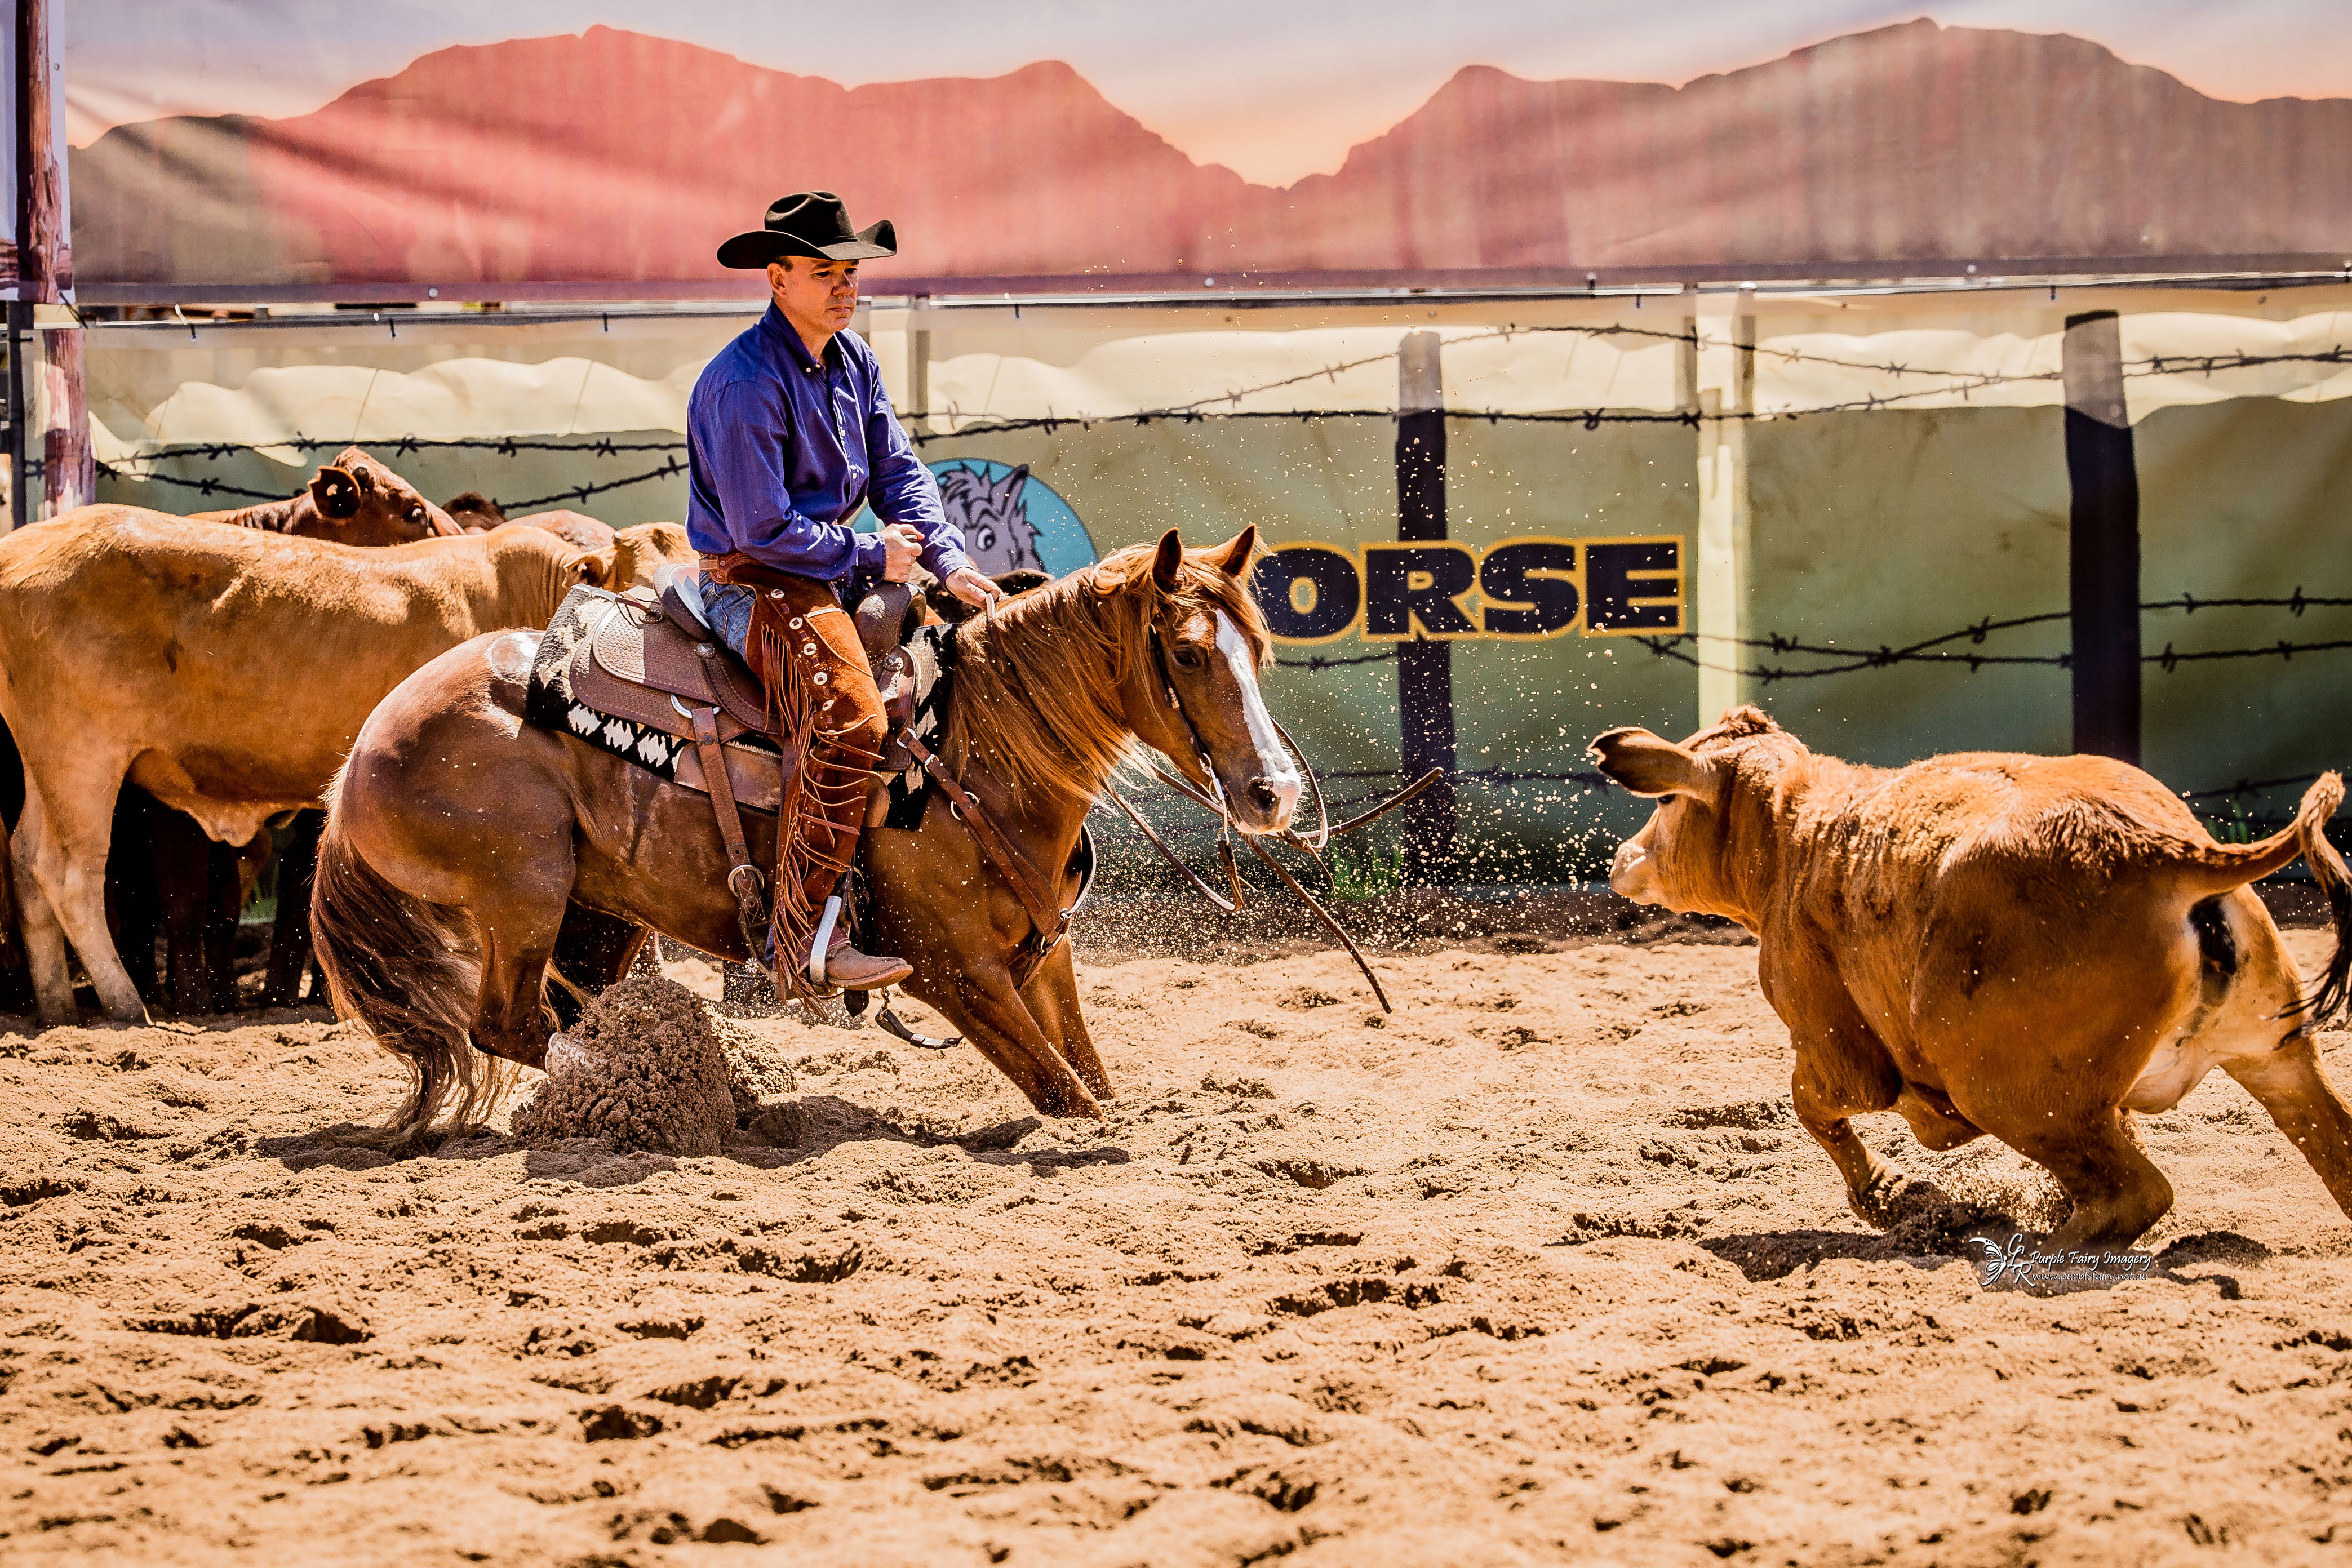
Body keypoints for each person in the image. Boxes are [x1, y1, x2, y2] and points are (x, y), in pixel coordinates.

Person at [686, 191, 1001, 994]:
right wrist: (871, 555)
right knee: (852, 717)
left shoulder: (854, 360)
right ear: (777, 278)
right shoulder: (744, 383)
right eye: (824, 273)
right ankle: (799, 941)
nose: (844, 287)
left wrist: (946, 559)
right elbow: (762, 529)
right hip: (757, 581)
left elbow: (899, 471)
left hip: (825, 571)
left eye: (850, 272)